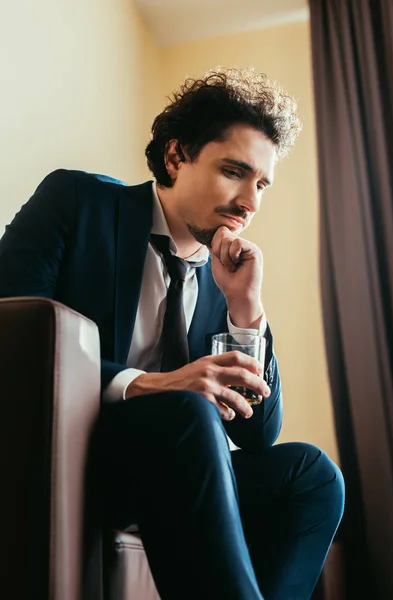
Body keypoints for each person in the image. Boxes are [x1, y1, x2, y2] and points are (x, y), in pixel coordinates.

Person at [0, 67, 344, 600]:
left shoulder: (225, 277)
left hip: (181, 466)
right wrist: (147, 384)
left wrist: (245, 309)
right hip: (76, 452)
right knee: (186, 412)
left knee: (312, 473)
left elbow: (258, 434)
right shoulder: (77, 201)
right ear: (176, 156)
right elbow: (9, 329)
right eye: (235, 171)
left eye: (262, 184)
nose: (251, 202)